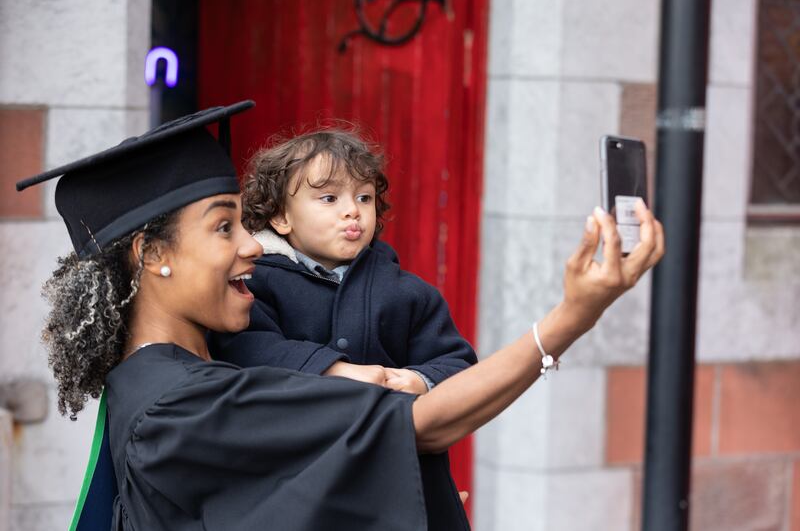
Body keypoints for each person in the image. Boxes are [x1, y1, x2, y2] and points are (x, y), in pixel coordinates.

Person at [18, 101, 664, 531]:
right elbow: (423, 424)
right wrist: (575, 313)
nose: (251, 245)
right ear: (152, 253)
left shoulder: (158, 379)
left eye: (245, 221)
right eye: (225, 226)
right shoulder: (185, 403)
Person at [207, 129, 479, 528]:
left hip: (394, 477)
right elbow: (245, 347)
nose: (352, 211)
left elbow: (458, 362)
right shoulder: (255, 282)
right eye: (329, 198)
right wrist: (335, 370)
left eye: (363, 198)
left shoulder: (406, 292)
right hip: (299, 477)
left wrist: (419, 380)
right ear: (281, 216)